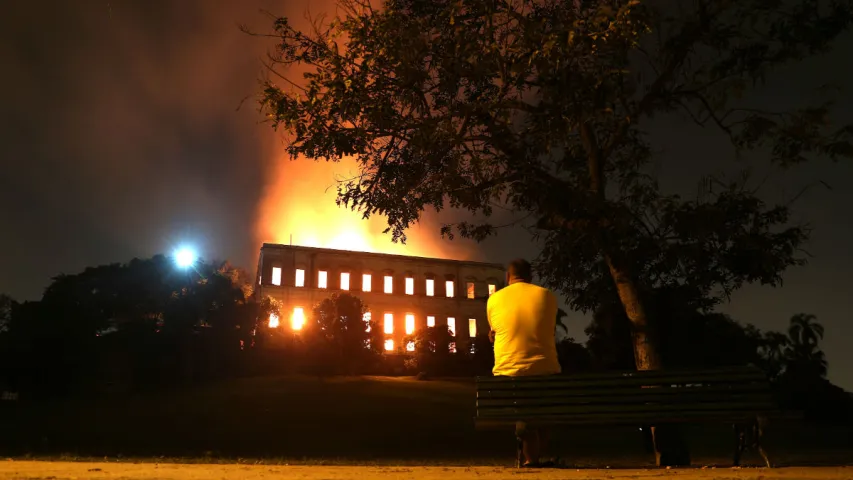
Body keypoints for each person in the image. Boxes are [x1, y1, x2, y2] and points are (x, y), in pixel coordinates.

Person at [487, 258, 561, 468]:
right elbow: (548, 328)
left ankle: (530, 453)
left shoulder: (494, 300)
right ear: (530, 277)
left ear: (508, 277)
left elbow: (496, 330)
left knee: (524, 409)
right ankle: (533, 455)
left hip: (507, 375)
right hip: (545, 371)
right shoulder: (546, 295)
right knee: (543, 411)